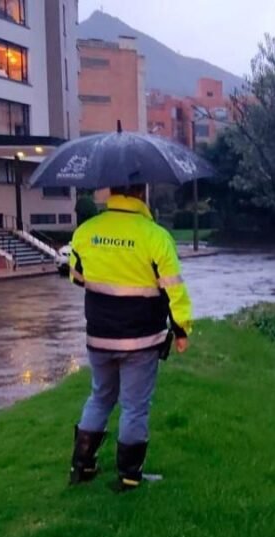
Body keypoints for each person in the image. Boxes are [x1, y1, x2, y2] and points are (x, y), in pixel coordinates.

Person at [67, 184, 192, 492]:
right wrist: (181, 329)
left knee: (100, 396)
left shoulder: (86, 231)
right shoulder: (155, 236)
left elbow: (77, 276)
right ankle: (128, 475)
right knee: (135, 406)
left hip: (98, 336)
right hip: (141, 339)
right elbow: (174, 289)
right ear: (141, 194)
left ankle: (82, 467)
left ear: (113, 193)